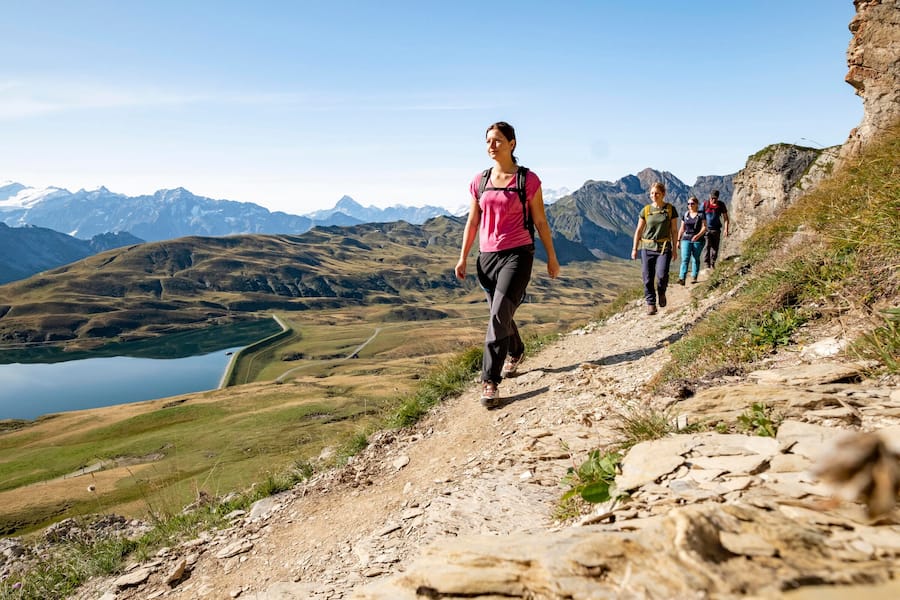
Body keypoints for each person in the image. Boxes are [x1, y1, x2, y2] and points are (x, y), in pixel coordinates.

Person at [455, 121, 560, 408]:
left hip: (518, 254)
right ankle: (516, 351)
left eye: (497, 140)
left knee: (499, 314)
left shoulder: (528, 180)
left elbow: (540, 221)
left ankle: (490, 381)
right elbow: (473, 221)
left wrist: (551, 256)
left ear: (512, 144)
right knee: (499, 313)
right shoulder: (480, 181)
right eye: (488, 141)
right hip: (486, 258)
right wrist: (463, 256)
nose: (491, 146)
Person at [631, 182, 678, 315]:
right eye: (652, 193)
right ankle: (651, 303)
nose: (654, 195)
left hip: (664, 247)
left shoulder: (670, 209)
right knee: (647, 277)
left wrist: (675, 249)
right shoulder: (646, 210)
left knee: (662, 275)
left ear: (663, 194)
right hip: (647, 247)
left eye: (657, 193)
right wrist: (635, 248)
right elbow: (639, 230)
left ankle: (661, 292)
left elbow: (674, 231)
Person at [677, 196, 707, 285]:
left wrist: (698, 236)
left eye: (692, 203)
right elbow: (682, 228)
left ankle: (694, 276)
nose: (690, 205)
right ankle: (682, 277)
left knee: (695, 258)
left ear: (697, 204)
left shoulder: (701, 215)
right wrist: (678, 240)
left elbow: (705, 227)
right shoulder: (685, 215)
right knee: (685, 259)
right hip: (686, 239)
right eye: (688, 204)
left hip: (698, 240)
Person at [701, 189, 729, 269]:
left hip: (716, 230)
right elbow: (699, 217)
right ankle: (707, 265)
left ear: (718, 198)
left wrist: (726, 229)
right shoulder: (705, 204)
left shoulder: (721, 205)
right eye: (712, 198)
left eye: (715, 198)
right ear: (710, 196)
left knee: (715, 247)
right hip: (706, 230)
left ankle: (712, 264)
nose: (713, 200)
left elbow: (726, 218)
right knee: (706, 246)